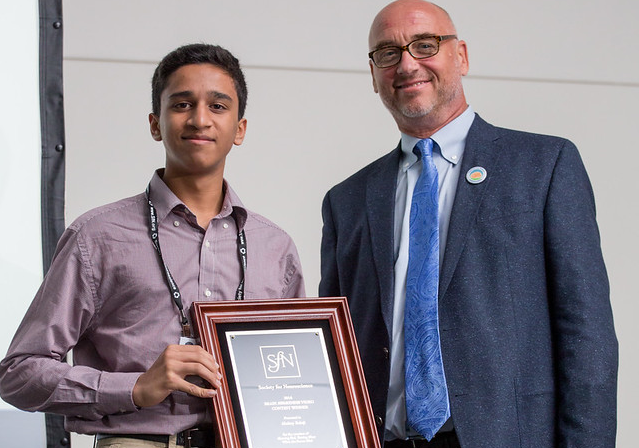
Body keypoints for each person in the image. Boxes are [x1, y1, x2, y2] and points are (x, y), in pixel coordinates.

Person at [319, 1, 617, 447]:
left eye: (425, 45)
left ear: (461, 56)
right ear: (373, 72)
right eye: (387, 53)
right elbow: (335, 348)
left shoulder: (543, 166)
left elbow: (586, 333)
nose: (407, 64)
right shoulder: (346, 201)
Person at [0, 43, 305, 447]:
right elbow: (19, 373)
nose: (200, 119)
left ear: (240, 129)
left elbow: (295, 377)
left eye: (217, 106)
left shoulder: (275, 248)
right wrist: (134, 388)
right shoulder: (97, 236)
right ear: (155, 124)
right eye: (181, 104)